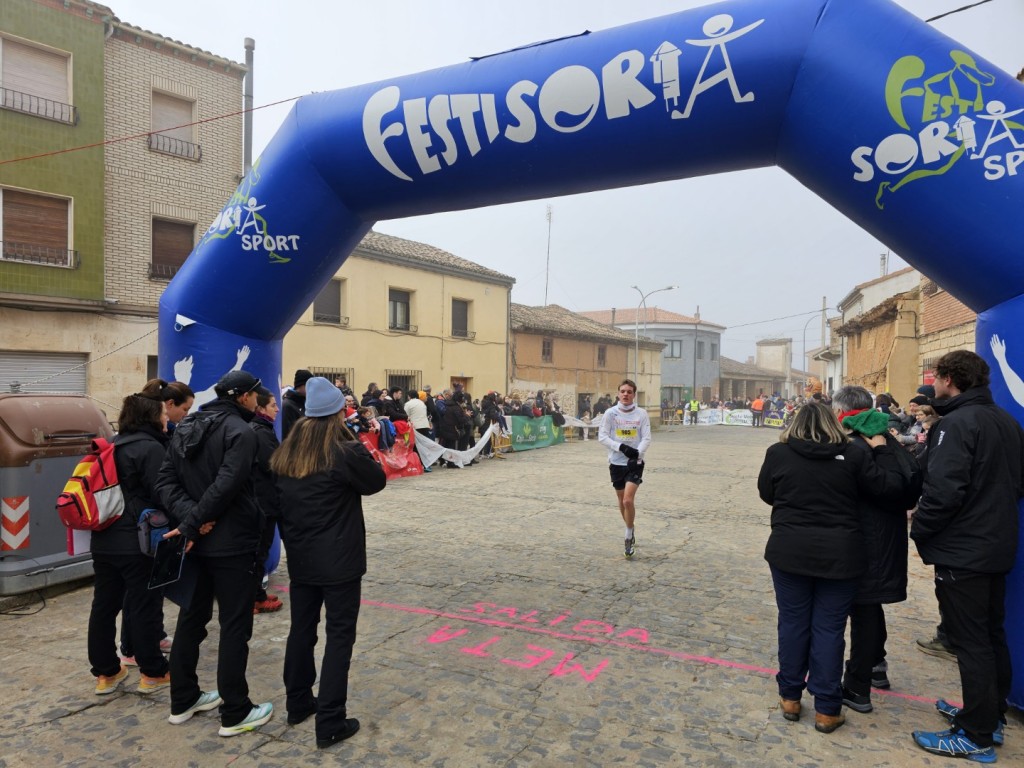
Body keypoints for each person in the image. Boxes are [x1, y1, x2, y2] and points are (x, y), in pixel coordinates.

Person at [910, 350, 1024, 761]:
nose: (933, 385)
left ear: (948, 379)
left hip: (965, 551)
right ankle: (989, 716)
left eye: (936, 378)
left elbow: (944, 491)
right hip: (995, 544)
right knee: (990, 635)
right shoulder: (1007, 421)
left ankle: (975, 735)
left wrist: (920, 529)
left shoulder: (957, 423)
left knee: (970, 641)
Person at [757, 401, 898, 734]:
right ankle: (827, 708)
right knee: (829, 629)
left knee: (793, 623)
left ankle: (790, 696)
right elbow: (884, 488)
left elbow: (767, 493)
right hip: (841, 554)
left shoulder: (778, 453)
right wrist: (881, 450)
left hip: (790, 551)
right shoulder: (853, 454)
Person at [156, 370, 273, 737]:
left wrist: (191, 518)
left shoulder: (188, 426)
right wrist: (195, 521)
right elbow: (227, 484)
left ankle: (183, 698)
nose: (258, 401)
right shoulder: (240, 432)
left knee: (192, 619)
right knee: (234, 625)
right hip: (231, 542)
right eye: (255, 395)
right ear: (243, 397)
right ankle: (236, 710)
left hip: (198, 541)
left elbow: (166, 483)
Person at [272, 377, 387, 750]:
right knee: (339, 637)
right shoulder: (343, 451)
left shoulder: (288, 453)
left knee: (302, 631)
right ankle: (331, 720)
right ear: (338, 412)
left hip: (302, 558)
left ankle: (298, 702)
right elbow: (376, 480)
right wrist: (354, 440)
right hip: (339, 561)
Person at [831, 386, 922, 714]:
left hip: (865, 539)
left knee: (863, 609)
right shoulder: (885, 438)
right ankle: (876, 665)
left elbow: (887, 487)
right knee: (869, 606)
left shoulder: (859, 445)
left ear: (840, 413)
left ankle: (858, 685)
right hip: (885, 536)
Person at [88, 389, 172, 696]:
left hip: (103, 538)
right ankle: (153, 672)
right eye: (163, 413)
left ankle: (106, 672)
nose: (166, 418)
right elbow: (162, 492)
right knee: (143, 605)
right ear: (151, 416)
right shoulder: (150, 448)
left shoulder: (110, 445)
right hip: (138, 541)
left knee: (104, 605)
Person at [597, 379, 651, 558]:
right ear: (618, 394)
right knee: (621, 500)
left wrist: (637, 453)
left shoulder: (641, 414)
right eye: (623, 391)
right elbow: (602, 436)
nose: (626, 394)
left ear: (634, 394)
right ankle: (631, 526)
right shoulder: (610, 413)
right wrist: (621, 447)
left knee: (628, 500)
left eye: (629, 391)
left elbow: (646, 437)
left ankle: (628, 536)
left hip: (634, 463)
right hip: (616, 462)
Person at [250, 387, 284, 614]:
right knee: (259, 551)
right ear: (261, 408)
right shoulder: (260, 432)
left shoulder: (262, 429)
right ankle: (254, 598)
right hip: (263, 503)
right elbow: (272, 465)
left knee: (260, 551)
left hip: (263, 501)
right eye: (273, 405)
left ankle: (257, 594)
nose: (277, 409)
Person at [404, 390, 433, 472]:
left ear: (409, 396)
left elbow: (405, 415)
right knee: (423, 446)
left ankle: (417, 464)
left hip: (415, 427)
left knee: (415, 447)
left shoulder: (408, 404)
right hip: (425, 426)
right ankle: (426, 465)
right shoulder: (422, 403)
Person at [282, 369, 313, 440]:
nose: (311, 389)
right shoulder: (287, 406)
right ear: (301, 385)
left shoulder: (307, 402)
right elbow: (287, 435)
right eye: (309, 385)